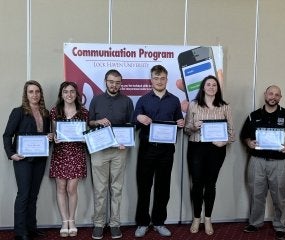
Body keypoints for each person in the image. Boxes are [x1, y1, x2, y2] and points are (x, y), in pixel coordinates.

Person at [240, 85, 285, 240]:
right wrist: (249, 143)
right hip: (257, 162)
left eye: (277, 95)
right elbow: (245, 136)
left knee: (279, 197)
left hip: (280, 163)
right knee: (256, 194)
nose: (273, 97)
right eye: (271, 93)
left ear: (280, 98)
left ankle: (280, 226)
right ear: (265, 95)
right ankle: (255, 223)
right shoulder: (253, 116)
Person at [133, 65, 185, 238]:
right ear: (151, 80)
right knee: (144, 187)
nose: (159, 81)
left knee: (163, 188)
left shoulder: (174, 100)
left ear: (167, 79)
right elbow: (134, 123)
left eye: (162, 78)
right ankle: (142, 223)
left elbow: (177, 124)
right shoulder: (143, 100)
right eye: (156, 78)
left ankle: (159, 222)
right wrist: (138, 118)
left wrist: (180, 124)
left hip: (166, 151)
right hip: (147, 150)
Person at [184, 75, 235, 235]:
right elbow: (186, 129)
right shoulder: (193, 105)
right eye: (208, 84)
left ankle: (208, 218)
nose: (211, 87)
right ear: (203, 87)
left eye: (214, 85)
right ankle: (196, 218)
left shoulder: (225, 107)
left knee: (210, 185)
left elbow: (232, 133)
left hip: (216, 150)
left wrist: (224, 142)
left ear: (217, 88)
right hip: (196, 148)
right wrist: (194, 126)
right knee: (197, 184)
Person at [3, 80, 53, 240]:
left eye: (37, 91)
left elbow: (45, 137)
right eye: (31, 92)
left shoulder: (45, 113)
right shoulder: (18, 112)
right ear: (26, 94)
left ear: (41, 94)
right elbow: (7, 135)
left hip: (40, 159)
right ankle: (20, 231)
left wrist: (50, 138)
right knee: (23, 194)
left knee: (33, 195)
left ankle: (31, 228)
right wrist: (11, 154)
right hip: (22, 159)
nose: (34, 95)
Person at [89, 69, 134, 240]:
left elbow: (131, 125)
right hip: (99, 151)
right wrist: (97, 121)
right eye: (111, 81)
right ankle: (99, 224)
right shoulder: (96, 100)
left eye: (117, 82)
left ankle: (115, 223)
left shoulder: (127, 101)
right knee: (100, 190)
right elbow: (89, 123)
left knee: (116, 189)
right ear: (105, 81)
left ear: (120, 83)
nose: (114, 85)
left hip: (119, 151)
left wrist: (127, 141)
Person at [49, 81, 89, 237]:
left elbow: (86, 134)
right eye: (66, 91)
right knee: (60, 189)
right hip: (60, 153)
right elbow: (53, 133)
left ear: (76, 94)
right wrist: (55, 138)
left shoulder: (83, 112)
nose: (69, 94)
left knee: (72, 189)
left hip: (77, 153)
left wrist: (85, 139)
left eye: (72, 91)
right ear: (61, 94)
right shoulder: (54, 111)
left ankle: (72, 220)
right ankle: (64, 221)